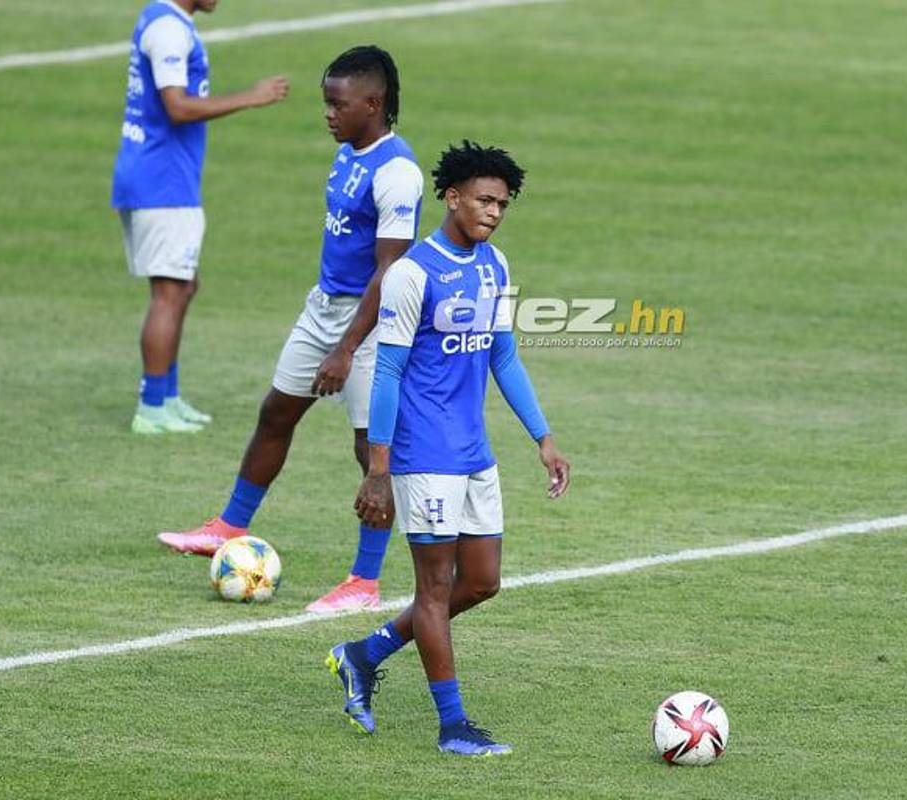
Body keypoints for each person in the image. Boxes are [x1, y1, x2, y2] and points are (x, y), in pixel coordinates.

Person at [157, 46, 424, 614]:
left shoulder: (397, 171)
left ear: (373, 103)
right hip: (323, 307)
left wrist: (346, 349)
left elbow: (391, 271)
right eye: (326, 102)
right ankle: (228, 526)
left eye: (338, 104)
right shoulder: (350, 152)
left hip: (371, 322)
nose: (327, 113)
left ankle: (364, 582)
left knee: (370, 451)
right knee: (277, 411)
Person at [327, 141, 571, 755]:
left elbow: (504, 356)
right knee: (434, 589)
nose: (493, 212)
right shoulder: (412, 273)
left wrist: (542, 438)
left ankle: (363, 652)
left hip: (473, 453)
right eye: (484, 200)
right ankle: (453, 726)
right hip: (422, 453)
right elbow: (386, 373)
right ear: (452, 197)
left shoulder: (495, 267)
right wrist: (378, 470)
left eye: (503, 204)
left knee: (482, 582)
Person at [112, 0, 288, 434]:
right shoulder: (170, 30)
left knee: (183, 286)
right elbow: (177, 106)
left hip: (163, 178)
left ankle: (167, 398)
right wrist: (251, 97)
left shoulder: (165, 20)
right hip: (161, 181)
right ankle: (152, 407)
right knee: (169, 292)